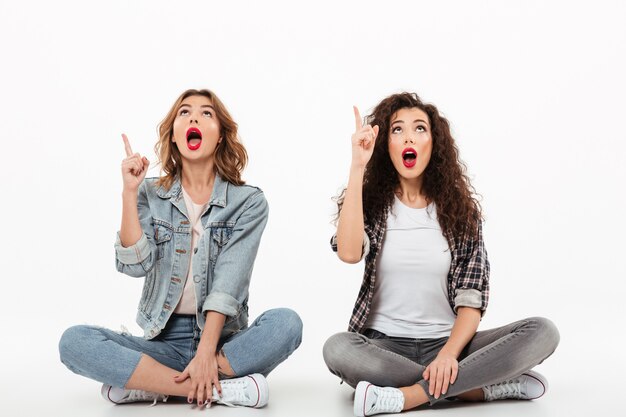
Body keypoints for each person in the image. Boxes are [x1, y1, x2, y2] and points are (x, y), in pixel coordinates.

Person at [59, 88, 302, 408]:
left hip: (223, 344)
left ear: (220, 136)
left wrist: (205, 354)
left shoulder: (248, 202)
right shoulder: (149, 193)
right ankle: (217, 389)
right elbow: (135, 266)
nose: (194, 117)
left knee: (287, 324)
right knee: (74, 342)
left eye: (206, 113)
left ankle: (151, 384)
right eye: (184, 112)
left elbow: (230, 282)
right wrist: (129, 193)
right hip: (164, 341)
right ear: (174, 135)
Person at [322, 92, 559, 417]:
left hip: (452, 344)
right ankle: (476, 388)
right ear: (385, 144)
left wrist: (448, 354)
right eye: (397, 129)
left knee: (543, 331)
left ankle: (410, 396)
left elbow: (471, 300)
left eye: (420, 129)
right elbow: (349, 253)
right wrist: (356, 166)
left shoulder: (459, 212)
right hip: (384, 345)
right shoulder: (374, 207)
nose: (409, 136)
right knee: (337, 349)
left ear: (434, 143)